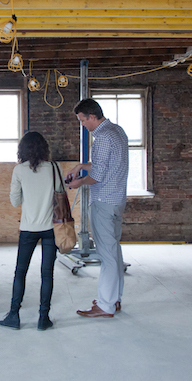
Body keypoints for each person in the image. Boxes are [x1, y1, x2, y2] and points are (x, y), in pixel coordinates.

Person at [65, 98, 128, 319]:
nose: (83, 125)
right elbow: (105, 166)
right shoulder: (117, 131)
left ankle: (105, 305)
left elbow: (98, 176)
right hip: (117, 200)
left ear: (92, 116)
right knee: (115, 251)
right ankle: (114, 298)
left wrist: (78, 183)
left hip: (103, 202)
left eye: (83, 120)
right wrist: (82, 166)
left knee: (107, 255)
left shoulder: (101, 138)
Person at [0, 131, 57, 331]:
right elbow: (59, 195)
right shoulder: (53, 168)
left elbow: (15, 201)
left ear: (22, 150)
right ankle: (43, 318)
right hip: (50, 229)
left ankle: (14, 315)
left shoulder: (19, 171)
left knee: (20, 272)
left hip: (28, 229)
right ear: (44, 149)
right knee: (47, 274)